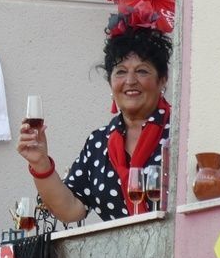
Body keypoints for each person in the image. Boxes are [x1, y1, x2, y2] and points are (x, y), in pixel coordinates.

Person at [17, 26, 172, 222]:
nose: (130, 80)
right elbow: (70, 211)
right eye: (120, 72)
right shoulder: (99, 142)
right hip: (119, 244)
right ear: (110, 84)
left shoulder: (180, 132)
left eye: (142, 71)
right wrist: (40, 162)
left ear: (162, 80)